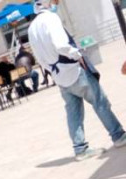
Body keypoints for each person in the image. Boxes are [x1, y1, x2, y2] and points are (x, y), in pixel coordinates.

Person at [29, 0, 126, 161]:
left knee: (73, 113)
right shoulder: (51, 19)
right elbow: (61, 44)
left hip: (59, 75)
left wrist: (52, 71)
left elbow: (39, 57)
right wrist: (77, 55)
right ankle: (118, 136)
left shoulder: (32, 27)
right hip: (73, 69)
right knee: (100, 102)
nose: (56, 4)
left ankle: (80, 148)